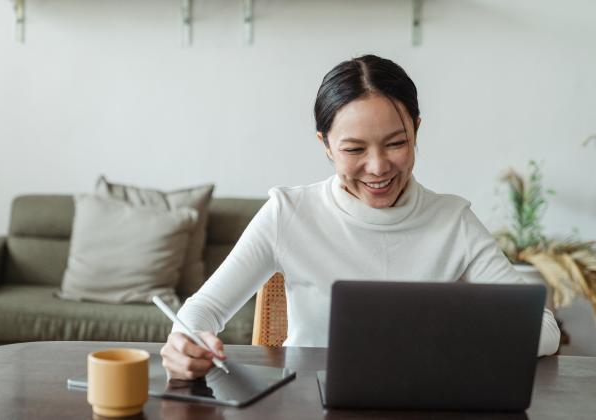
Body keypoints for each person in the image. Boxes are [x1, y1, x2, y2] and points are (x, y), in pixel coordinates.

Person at [160, 54, 561, 380]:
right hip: (306, 402)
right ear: (326, 145)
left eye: (396, 143)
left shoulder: (452, 220)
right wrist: (186, 341)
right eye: (354, 150)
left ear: (416, 131)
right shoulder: (289, 213)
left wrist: (458, 336)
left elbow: (544, 329)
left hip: (421, 402)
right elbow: (203, 309)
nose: (378, 167)